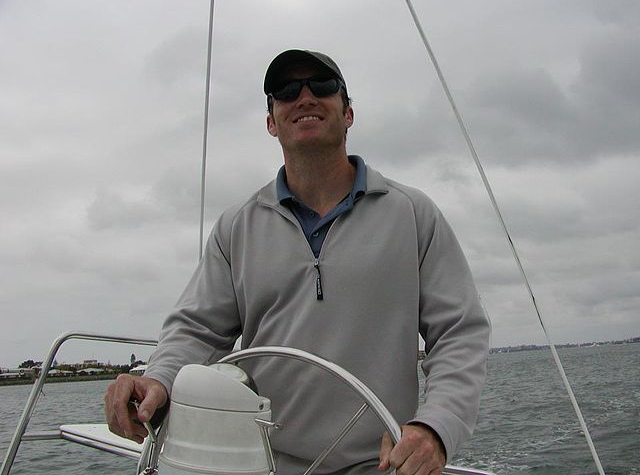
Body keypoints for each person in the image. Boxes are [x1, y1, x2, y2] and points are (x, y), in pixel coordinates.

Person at [105, 49, 490, 475]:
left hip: (381, 465)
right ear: (271, 122)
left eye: (321, 86)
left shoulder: (413, 214)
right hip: (259, 462)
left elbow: (460, 333)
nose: (304, 97)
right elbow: (197, 328)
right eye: (287, 91)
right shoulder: (237, 227)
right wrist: (158, 379)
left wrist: (435, 428)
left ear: (348, 113)